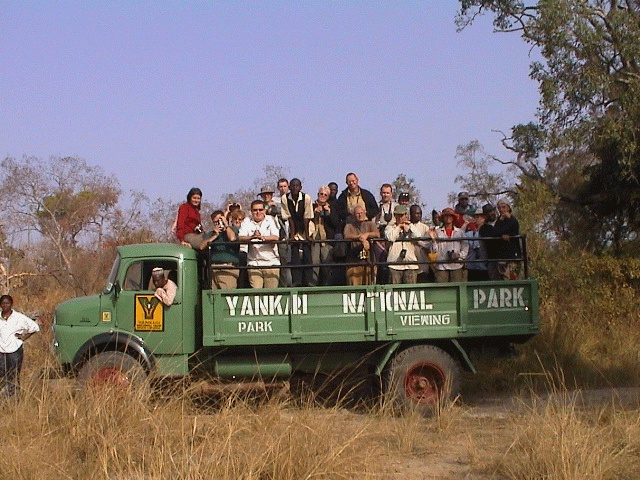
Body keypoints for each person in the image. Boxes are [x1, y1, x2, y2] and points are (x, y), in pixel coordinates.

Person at [0, 294, 39, 399]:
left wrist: (24, 337)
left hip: (14, 351)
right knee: (2, 375)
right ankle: (4, 398)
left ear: (11, 304)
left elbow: (34, 327)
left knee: (14, 375)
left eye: (7, 303)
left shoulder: (19, 317)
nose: (5, 305)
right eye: (3, 303)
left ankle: (14, 400)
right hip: (1, 351)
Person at [238, 199, 281, 288]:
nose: (258, 212)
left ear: (264, 210)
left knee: (271, 296)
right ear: (251, 211)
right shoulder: (246, 221)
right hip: (254, 263)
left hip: (271, 263)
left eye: (260, 210)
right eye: (255, 210)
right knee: (257, 295)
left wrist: (263, 238)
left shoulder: (271, 220)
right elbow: (240, 237)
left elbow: (276, 237)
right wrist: (252, 237)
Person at [280, 178, 314, 287]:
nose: (295, 188)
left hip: (306, 226)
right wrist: (292, 235)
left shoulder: (306, 198)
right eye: (293, 186)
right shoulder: (285, 198)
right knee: (294, 253)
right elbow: (288, 217)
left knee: (307, 253)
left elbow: (307, 217)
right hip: (293, 226)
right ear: (289, 187)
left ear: (300, 188)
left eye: (297, 186)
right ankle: (297, 280)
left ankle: (308, 280)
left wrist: (307, 236)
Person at [199, 210, 239, 290]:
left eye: (220, 221)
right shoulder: (211, 234)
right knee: (214, 298)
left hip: (227, 268)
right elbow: (201, 247)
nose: (218, 223)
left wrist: (226, 225)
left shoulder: (232, 229)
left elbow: (232, 238)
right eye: (215, 222)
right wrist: (215, 236)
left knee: (227, 297)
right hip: (213, 268)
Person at [429, 207, 468, 283]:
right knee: (442, 290)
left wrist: (459, 255)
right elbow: (434, 251)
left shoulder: (460, 232)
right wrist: (433, 240)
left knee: (457, 290)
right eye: (446, 216)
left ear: (453, 218)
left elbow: (465, 248)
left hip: (457, 265)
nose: (448, 218)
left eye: (450, 216)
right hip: (441, 266)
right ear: (442, 218)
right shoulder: (437, 232)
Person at [311, 185, 340, 286]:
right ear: (317, 194)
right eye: (321, 194)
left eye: (325, 195)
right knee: (314, 262)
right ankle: (313, 285)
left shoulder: (332, 207)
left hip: (326, 239)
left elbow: (336, 224)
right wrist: (314, 213)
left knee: (326, 262)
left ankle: (326, 285)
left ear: (328, 197)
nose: (322, 196)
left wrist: (329, 213)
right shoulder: (311, 206)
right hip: (314, 238)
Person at [343, 205, 379, 285]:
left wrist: (367, 234)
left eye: (361, 213)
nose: (360, 215)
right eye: (357, 213)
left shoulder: (370, 224)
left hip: (368, 260)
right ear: (353, 215)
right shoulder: (349, 226)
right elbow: (346, 235)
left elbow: (377, 234)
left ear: (365, 213)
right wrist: (359, 238)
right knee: (354, 285)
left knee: (369, 285)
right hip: (354, 261)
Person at [385, 205, 420, 284]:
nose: (401, 218)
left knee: (410, 292)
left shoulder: (412, 226)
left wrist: (409, 226)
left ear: (406, 215)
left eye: (402, 215)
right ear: (395, 216)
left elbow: (418, 236)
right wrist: (399, 227)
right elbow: (391, 237)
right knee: (395, 293)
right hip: (394, 264)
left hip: (410, 264)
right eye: (398, 215)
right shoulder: (389, 227)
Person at [493, 198, 522, 280]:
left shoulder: (513, 220)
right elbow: (495, 232)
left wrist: (508, 220)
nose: (501, 210)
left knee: (513, 278)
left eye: (503, 207)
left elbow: (512, 228)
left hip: (513, 255)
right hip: (502, 256)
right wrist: (501, 221)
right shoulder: (499, 221)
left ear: (508, 208)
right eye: (499, 208)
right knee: (503, 279)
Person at [408, 204, 433, 282]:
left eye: (420, 213)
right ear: (411, 214)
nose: (419, 215)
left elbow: (428, 245)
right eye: (416, 213)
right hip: (409, 264)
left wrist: (417, 242)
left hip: (422, 264)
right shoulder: (406, 226)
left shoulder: (425, 228)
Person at [465, 208, 490, 281]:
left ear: (484, 218)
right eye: (475, 217)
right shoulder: (471, 233)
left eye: (478, 217)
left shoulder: (488, 231)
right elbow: (461, 236)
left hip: (484, 266)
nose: (476, 219)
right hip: (472, 266)